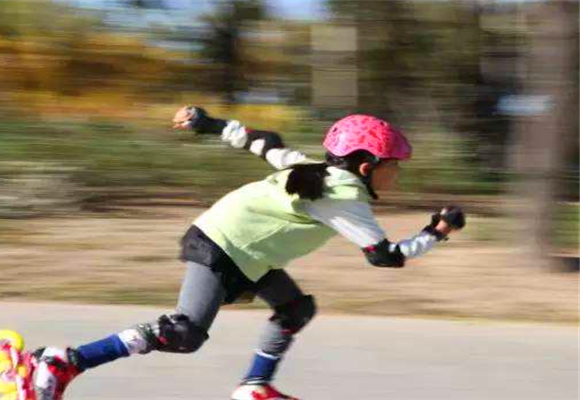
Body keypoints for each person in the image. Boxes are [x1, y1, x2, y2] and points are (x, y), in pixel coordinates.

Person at [29, 106, 465, 400]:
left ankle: (255, 387)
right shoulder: (344, 197)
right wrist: (438, 230)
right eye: (394, 165)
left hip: (249, 254)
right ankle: (66, 361)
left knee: (294, 308)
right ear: (367, 167)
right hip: (223, 246)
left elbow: (263, 142)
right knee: (184, 333)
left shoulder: (312, 168)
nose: (398, 174)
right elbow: (385, 256)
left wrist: (208, 123)